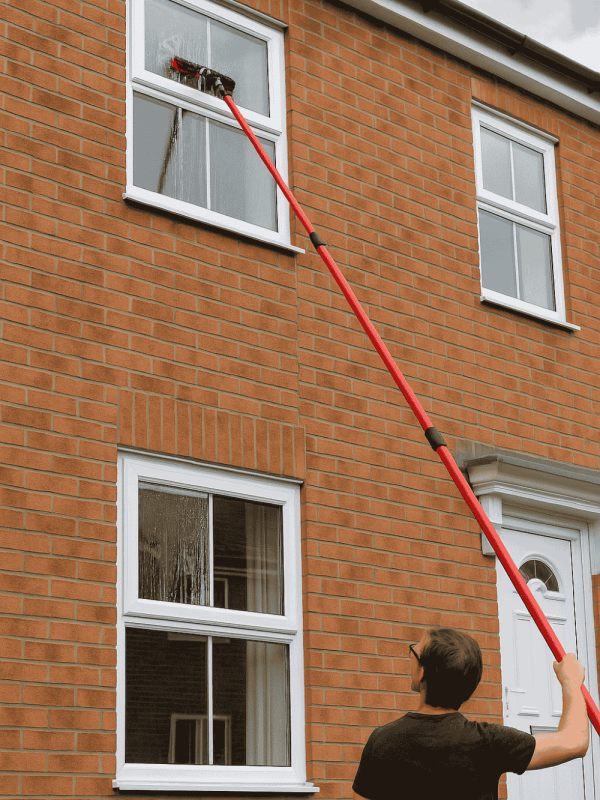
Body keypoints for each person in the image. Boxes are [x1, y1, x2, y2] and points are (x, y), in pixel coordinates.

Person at [352, 626, 589, 800]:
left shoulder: (382, 741)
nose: (410, 653)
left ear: (422, 673)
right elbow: (575, 741)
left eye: (413, 651)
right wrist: (570, 681)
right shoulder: (489, 742)